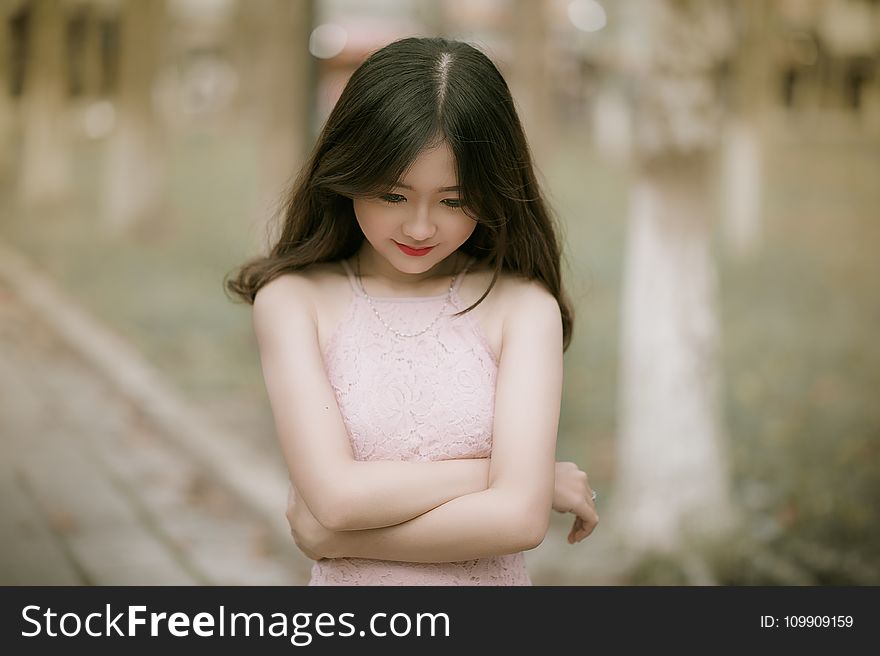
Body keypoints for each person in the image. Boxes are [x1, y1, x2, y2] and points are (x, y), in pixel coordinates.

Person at [225, 37, 598, 585]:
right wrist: (524, 478)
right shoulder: (294, 301)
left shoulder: (521, 307)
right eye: (393, 195)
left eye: (453, 200)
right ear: (348, 171)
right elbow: (336, 500)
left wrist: (334, 537)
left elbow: (518, 519)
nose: (421, 228)